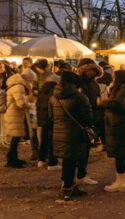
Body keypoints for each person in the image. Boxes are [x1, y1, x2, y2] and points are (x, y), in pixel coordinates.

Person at [50, 70, 94, 199]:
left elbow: (50, 116)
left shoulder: (53, 97)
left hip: (59, 132)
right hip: (76, 134)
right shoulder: (79, 97)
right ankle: (68, 189)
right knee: (72, 161)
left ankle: (66, 185)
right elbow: (88, 118)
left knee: (67, 161)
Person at [101, 68, 125, 192]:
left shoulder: (122, 89)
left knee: (120, 154)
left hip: (120, 125)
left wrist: (104, 103)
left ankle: (120, 183)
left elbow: (118, 105)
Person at [74, 60, 102, 186]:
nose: (91, 72)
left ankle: (82, 173)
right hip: (78, 119)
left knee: (85, 148)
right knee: (77, 149)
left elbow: (95, 99)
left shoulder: (94, 84)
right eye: (88, 70)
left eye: (93, 70)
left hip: (91, 119)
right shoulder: (77, 83)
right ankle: (76, 175)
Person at [2, 70, 32, 167]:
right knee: (15, 138)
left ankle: (12, 157)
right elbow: (21, 103)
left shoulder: (14, 85)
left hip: (13, 114)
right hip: (15, 115)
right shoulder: (19, 87)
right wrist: (31, 105)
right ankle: (12, 160)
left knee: (15, 138)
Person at [36, 63, 60, 168]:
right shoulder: (54, 92)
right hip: (52, 119)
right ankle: (52, 162)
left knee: (44, 138)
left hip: (43, 119)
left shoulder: (42, 91)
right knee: (52, 140)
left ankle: (41, 159)